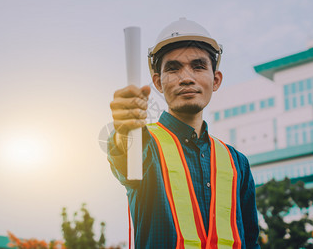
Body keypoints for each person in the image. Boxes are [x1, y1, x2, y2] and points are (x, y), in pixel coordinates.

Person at [108, 18, 260, 249]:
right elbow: (124, 154)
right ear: (158, 83)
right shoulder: (144, 142)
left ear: (216, 79)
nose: (186, 77)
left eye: (198, 66)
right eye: (173, 68)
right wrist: (124, 128)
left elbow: (251, 242)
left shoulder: (238, 163)